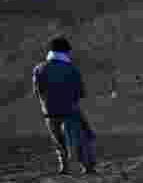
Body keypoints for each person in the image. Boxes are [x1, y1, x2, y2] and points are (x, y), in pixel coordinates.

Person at [32, 36, 97, 175]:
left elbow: (37, 92)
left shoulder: (39, 69)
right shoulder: (71, 68)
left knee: (58, 140)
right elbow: (80, 92)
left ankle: (64, 167)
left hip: (49, 111)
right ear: (66, 52)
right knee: (85, 136)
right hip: (69, 110)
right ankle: (87, 167)